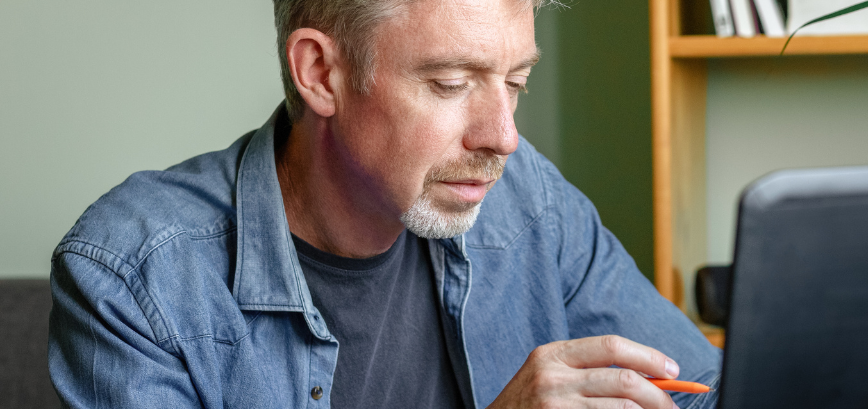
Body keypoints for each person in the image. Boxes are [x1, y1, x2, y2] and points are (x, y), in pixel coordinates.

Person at [46, 0, 722, 408]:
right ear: (321, 73)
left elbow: (704, 390)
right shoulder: (135, 276)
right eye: (452, 82)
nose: (504, 136)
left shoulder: (528, 201)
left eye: (515, 81)